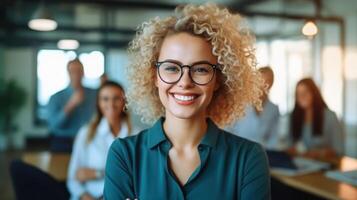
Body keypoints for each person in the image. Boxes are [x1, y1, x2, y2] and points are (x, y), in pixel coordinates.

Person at [104, 3, 270, 200]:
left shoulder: (248, 158)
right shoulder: (124, 155)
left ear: (218, 79)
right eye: (171, 68)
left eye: (200, 69)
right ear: (154, 76)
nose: (184, 82)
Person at [67, 81, 132, 200]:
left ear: (124, 101)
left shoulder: (136, 135)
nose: (111, 104)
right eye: (105, 99)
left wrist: (96, 173)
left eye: (116, 98)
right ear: (98, 103)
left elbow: (139, 177)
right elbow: (74, 178)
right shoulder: (86, 133)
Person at [47, 59, 97, 152]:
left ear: (83, 72)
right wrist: (71, 105)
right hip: (63, 142)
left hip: (89, 140)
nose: (76, 74)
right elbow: (54, 126)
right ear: (68, 73)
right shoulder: (55, 97)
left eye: (79, 71)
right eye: (72, 71)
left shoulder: (95, 94)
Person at [226, 66, 280, 149]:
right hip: (238, 151)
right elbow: (227, 132)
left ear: (272, 83)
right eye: (260, 80)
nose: (264, 85)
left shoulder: (273, 109)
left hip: (263, 153)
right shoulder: (239, 104)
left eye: (268, 81)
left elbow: (274, 139)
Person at [288, 78, 344, 157]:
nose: (302, 97)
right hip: (300, 164)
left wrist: (320, 153)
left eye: (305, 92)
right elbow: (289, 144)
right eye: (298, 94)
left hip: (325, 165)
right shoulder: (293, 117)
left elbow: (339, 150)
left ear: (314, 93)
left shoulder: (330, 117)